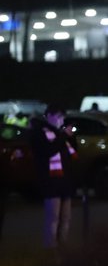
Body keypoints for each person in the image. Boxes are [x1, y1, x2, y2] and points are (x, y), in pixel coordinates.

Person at [28, 105, 77, 248]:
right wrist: (63, 136)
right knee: (53, 218)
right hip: (51, 182)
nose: (61, 120)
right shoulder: (40, 133)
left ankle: (62, 248)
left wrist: (70, 137)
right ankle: (50, 249)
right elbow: (49, 151)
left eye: (63, 117)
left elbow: (73, 153)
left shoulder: (60, 133)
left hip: (65, 181)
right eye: (59, 116)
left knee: (66, 218)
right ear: (49, 115)